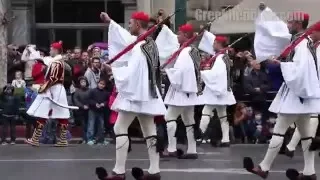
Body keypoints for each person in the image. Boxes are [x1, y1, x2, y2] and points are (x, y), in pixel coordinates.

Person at [243, 14, 320, 180]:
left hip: (295, 96)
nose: (288, 24)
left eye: (291, 22)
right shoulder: (301, 41)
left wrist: (281, 65)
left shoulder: (303, 43)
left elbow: (300, 70)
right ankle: (309, 172)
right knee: (306, 136)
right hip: (301, 96)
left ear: (299, 24)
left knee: (279, 131)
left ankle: (264, 167)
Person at [97, 11, 166, 180]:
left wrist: (112, 69)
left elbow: (132, 72)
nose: (128, 26)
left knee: (119, 128)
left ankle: (119, 171)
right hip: (149, 93)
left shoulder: (140, 47)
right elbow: (127, 39)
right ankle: (154, 170)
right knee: (149, 130)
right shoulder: (149, 44)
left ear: (137, 24)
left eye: (130, 23)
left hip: (136, 93)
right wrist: (111, 21)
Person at [159, 23, 202, 159]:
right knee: (189, 120)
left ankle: (171, 148)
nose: (177, 36)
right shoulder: (190, 51)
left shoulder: (185, 53)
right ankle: (192, 150)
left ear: (185, 36)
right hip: (189, 92)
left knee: (170, 117)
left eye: (179, 34)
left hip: (180, 92)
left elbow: (180, 73)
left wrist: (167, 71)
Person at [25, 42, 78, 147]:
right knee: (43, 112)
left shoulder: (57, 63)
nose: (50, 51)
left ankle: (61, 139)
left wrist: (43, 88)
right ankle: (36, 139)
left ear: (56, 50)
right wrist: (32, 50)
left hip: (55, 90)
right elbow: (42, 59)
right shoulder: (54, 61)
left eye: (51, 49)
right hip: (52, 89)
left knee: (60, 114)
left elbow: (53, 79)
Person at [198, 35, 236, 147]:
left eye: (215, 43)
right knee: (222, 115)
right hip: (223, 90)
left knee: (206, 112)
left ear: (219, 44)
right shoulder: (224, 57)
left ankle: (201, 135)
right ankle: (225, 139)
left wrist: (203, 73)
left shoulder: (220, 58)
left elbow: (215, 75)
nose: (213, 45)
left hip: (216, 91)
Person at [87, 79, 110, 145]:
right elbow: (89, 100)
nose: (101, 85)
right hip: (92, 110)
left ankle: (101, 139)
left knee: (101, 126)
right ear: (98, 83)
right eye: (100, 84)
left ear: (105, 86)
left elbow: (107, 101)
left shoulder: (106, 93)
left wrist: (104, 104)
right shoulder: (93, 91)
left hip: (101, 111)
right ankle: (90, 139)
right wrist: (95, 104)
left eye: (103, 84)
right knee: (91, 125)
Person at [73, 76, 90, 144]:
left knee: (90, 124)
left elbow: (92, 98)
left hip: (89, 110)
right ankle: (84, 138)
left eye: (84, 81)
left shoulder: (90, 90)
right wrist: (82, 106)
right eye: (81, 82)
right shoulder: (77, 91)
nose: (83, 83)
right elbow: (76, 100)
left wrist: (88, 105)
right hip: (81, 110)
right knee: (83, 125)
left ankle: (90, 138)